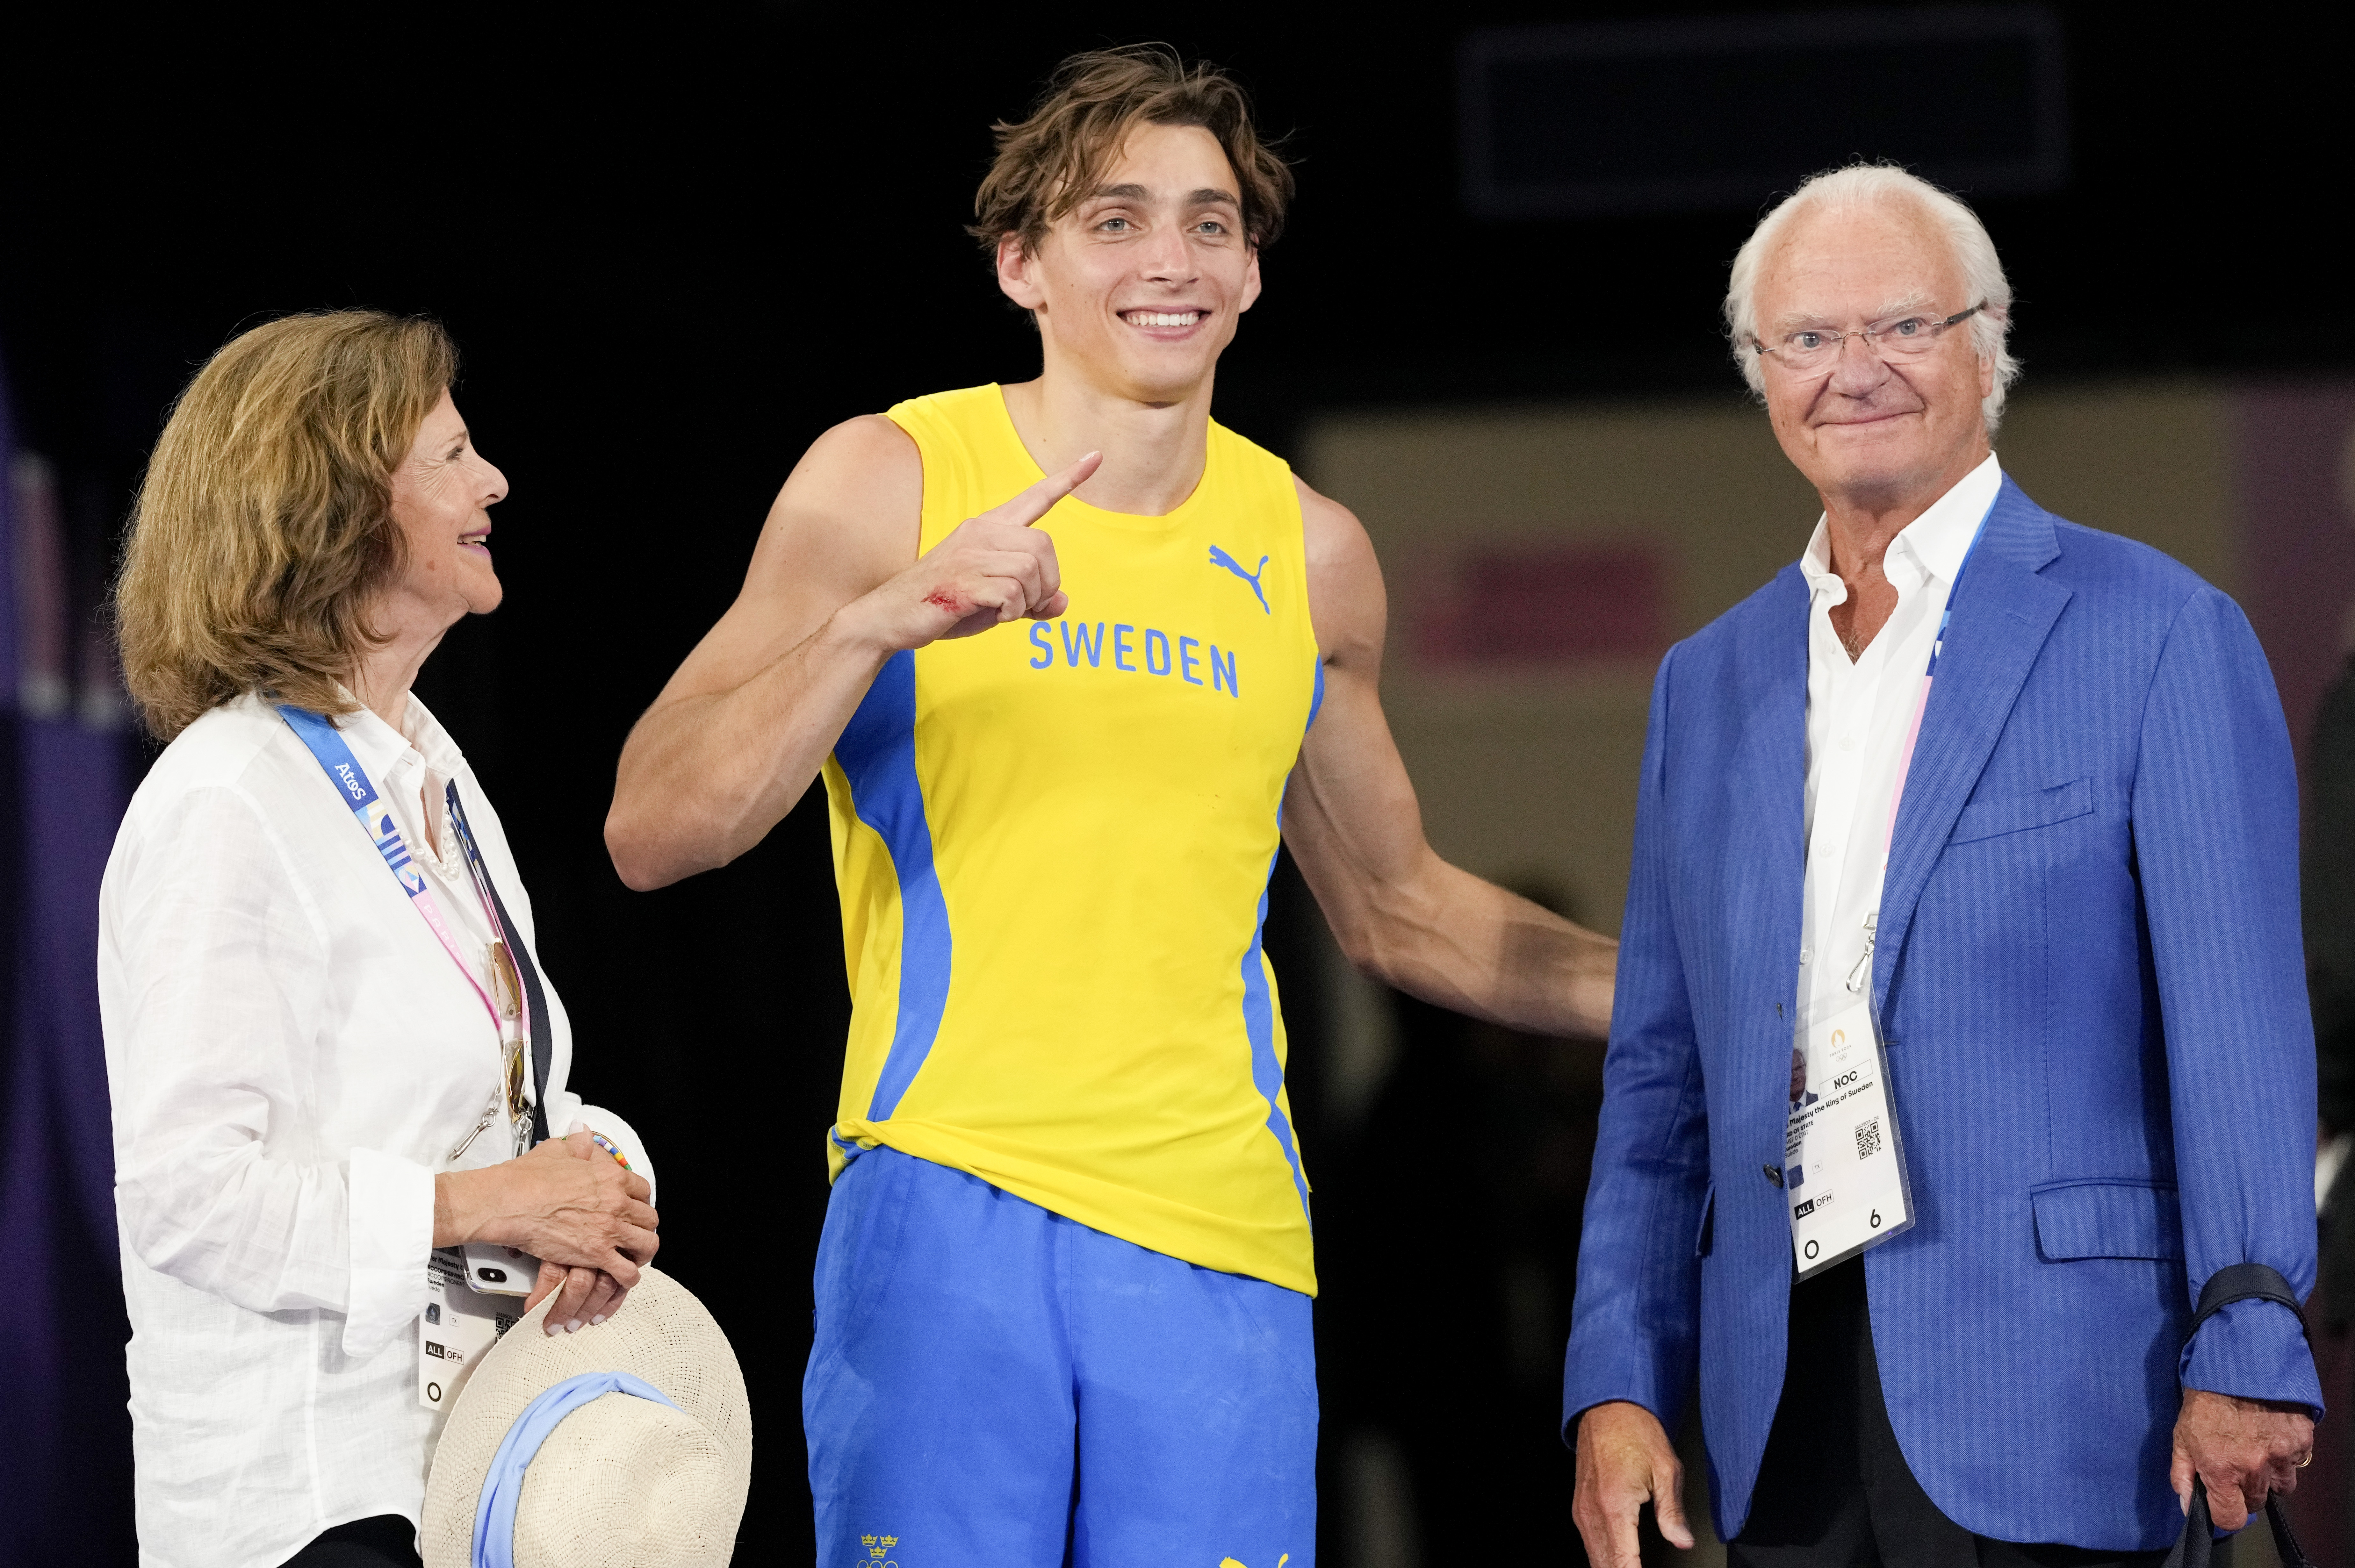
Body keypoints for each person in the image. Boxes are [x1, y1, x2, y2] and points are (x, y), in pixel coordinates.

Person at [604, 45, 1617, 1564]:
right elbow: (653, 826)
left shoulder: (1311, 547)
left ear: (1254, 274)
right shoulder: (890, 475)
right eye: (1117, 220)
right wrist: (881, 619)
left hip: (1221, 1239)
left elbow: (1398, 905)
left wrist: (1678, 994)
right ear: (1022, 263)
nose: (1173, 260)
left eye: (1212, 224)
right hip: (944, 1204)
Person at [1563, 162, 2324, 1568]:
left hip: (2070, 1396)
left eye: (1901, 327)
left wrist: (2253, 1323)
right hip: (1779, 1402)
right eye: (1805, 339)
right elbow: (1656, 1074)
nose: (1852, 372)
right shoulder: (1706, 682)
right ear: (1759, 375)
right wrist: (1617, 1374)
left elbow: (2239, 1028)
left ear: (1989, 343)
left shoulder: (2157, 630)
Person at [101, 311, 660, 1568]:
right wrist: (489, 1203)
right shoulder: (227, 797)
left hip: (471, 1475)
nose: (495, 481)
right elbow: (187, 1196)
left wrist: (602, 1186)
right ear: (341, 500)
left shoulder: (438, 779)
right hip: (308, 1505)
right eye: (454, 453)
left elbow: (518, 1097)